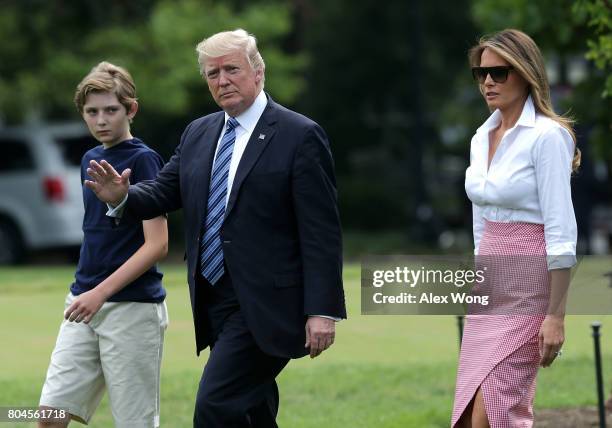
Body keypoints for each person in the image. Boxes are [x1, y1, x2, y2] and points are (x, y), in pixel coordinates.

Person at [84, 29, 346, 428]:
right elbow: (162, 192)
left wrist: (323, 310)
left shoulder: (299, 135)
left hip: (271, 302)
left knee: (215, 407)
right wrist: (120, 197)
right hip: (214, 297)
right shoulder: (199, 132)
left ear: (258, 72)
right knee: (253, 411)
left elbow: (321, 231)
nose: (221, 80)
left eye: (231, 69)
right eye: (211, 73)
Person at [452, 29, 579, 427]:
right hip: (490, 283)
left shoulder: (548, 137)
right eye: (481, 73)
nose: (488, 81)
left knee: (493, 411)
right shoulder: (479, 138)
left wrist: (555, 315)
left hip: (531, 282)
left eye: (500, 72)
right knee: (474, 408)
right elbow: (481, 219)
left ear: (526, 73)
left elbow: (562, 230)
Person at [38, 62, 169, 428]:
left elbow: (157, 245)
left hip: (132, 309)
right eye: (91, 112)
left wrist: (101, 292)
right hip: (81, 303)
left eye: (111, 110)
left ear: (131, 109)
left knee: (133, 424)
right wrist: (89, 293)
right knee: (48, 416)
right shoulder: (89, 159)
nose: (101, 120)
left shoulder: (143, 160)